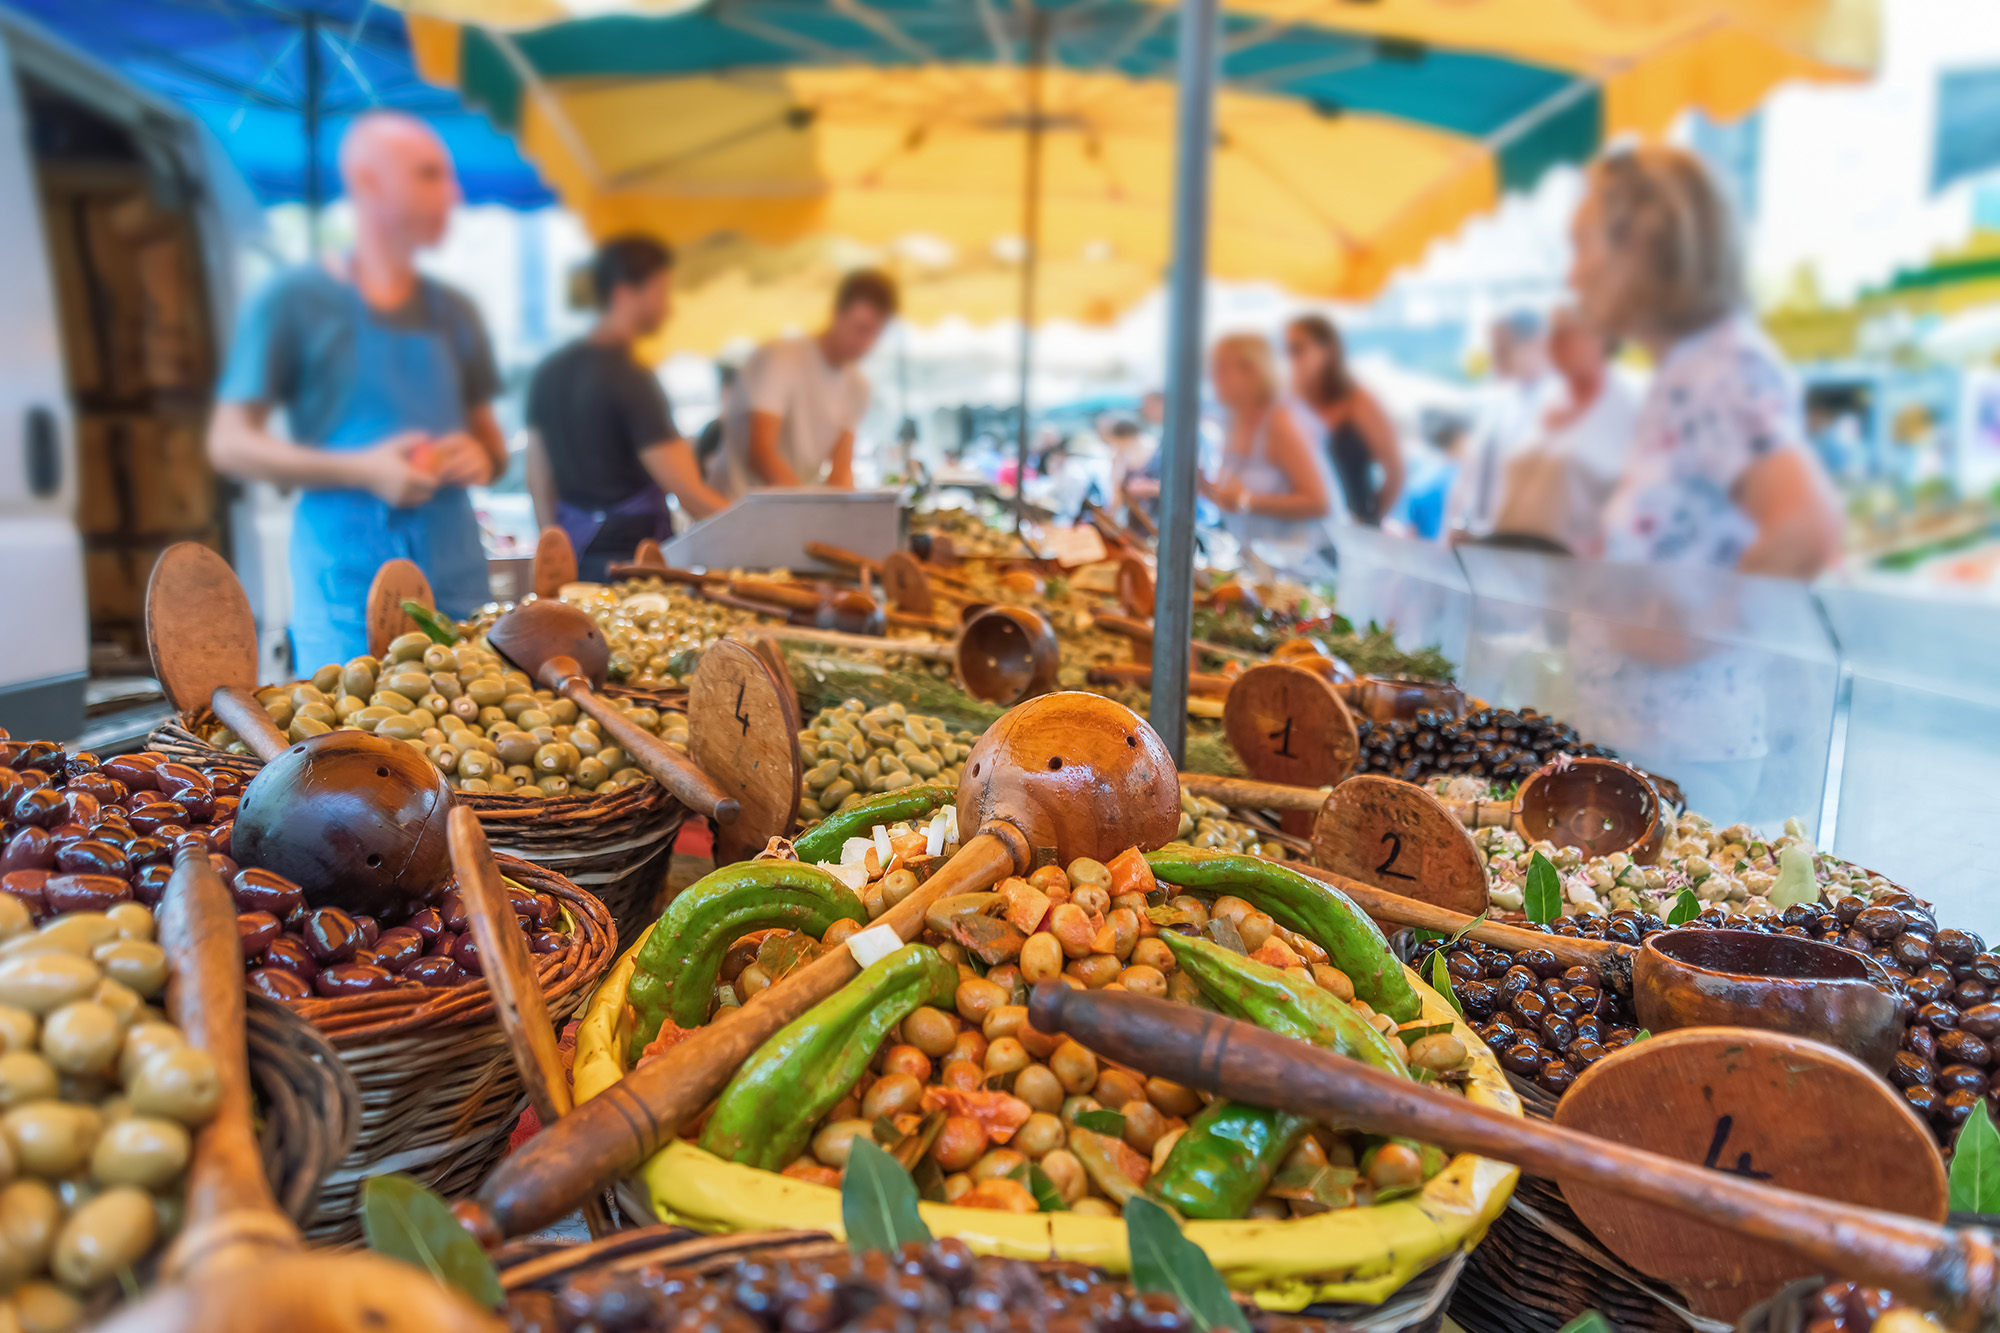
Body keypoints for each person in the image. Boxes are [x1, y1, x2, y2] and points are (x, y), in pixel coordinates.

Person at [208, 112, 503, 672]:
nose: (453, 194)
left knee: (474, 715)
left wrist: (478, 456)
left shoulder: (456, 312)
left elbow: (493, 448)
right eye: (429, 175)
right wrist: (362, 469)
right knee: (349, 722)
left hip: (456, 577)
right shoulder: (292, 302)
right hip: (344, 587)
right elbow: (230, 444)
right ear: (367, 183)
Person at [1573, 147, 1842, 575]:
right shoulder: (1688, 368)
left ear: (1643, 243)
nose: (1573, 275)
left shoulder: (1724, 368)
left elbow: (1806, 530)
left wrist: (1716, 617)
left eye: (1582, 245)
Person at [524, 236, 728, 582]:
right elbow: (690, 494)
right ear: (623, 293)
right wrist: (759, 532)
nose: (668, 308)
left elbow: (538, 477)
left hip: (577, 555)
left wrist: (555, 558)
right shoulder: (631, 377)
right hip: (632, 563)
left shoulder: (550, 372)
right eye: (660, 292)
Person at [710, 269, 898, 498]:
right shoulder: (783, 357)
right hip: (732, 507)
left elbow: (841, 473)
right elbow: (760, 453)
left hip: (793, 508)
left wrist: (842, 512)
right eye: (861, 329)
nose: (865, 343)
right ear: (837, 313)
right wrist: (806, 507)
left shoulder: (858, 387)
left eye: (875, 334)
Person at [1487, 307, 1641, 554]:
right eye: (1553, 333)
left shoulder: (1630, 402)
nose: (1554, 343)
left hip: (1576, 564)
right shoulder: (1545, 398)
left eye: (1566, 334)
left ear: (1598, 338)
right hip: (1512, 556)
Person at [1199, 333, 1331, 550]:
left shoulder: (1280, 421)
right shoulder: (1233, 417)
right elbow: (1234, 494)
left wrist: (1246, 502)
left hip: (1297, 558)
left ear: (1251, 370)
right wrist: (1209, 490)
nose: (1211, 377)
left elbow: (1319, 502)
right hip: (1253, 554)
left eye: (1221, 368)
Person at [1444, 310, 1562, 541]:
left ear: (1536, 344)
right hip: (1479, 537)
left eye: (1504, 348)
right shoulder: (1497, 401)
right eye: (1494, 349)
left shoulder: (1557, 403)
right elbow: (1470, 474)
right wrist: (1455, 523)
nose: (1497, 358)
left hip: (1521, 541)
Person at [1284, 315, 1402, 526]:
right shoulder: (1289, 402)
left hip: (1352, 523)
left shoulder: (1360, 402)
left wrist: (1369, 522)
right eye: (1288, 351)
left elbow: (1396, 473)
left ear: (1327, 350)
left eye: (1298, 350)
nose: (1292, 360)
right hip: (1301, 527)